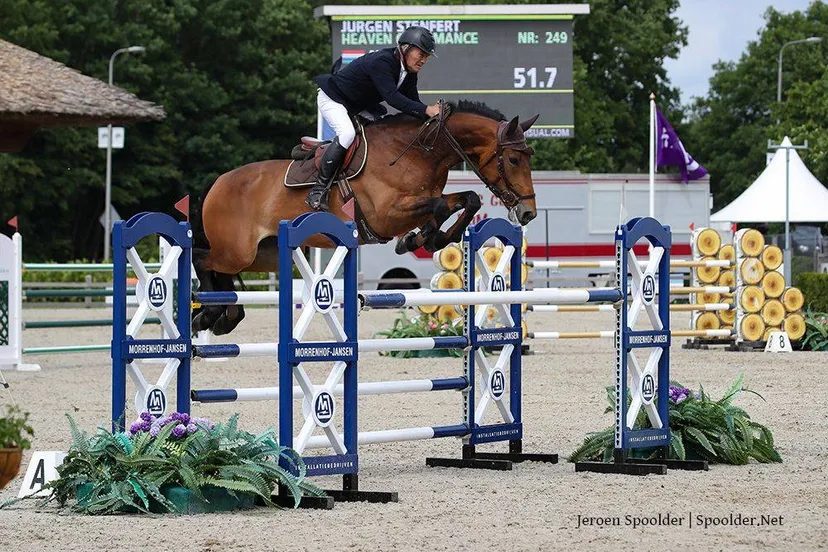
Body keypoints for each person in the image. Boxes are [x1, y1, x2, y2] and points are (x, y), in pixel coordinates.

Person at [307, 26, 442, 211]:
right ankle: (319, 189)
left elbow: (413, 103)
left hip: (357, 105)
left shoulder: (409, 72)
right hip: (333, 98)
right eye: (421, 54)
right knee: (346, 134)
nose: (423, 60)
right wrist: (427, 109)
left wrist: (431, 119)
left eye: (426, 56)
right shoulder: (382, 61)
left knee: (380, 131)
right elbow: (393, 98)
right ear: (406, 47)